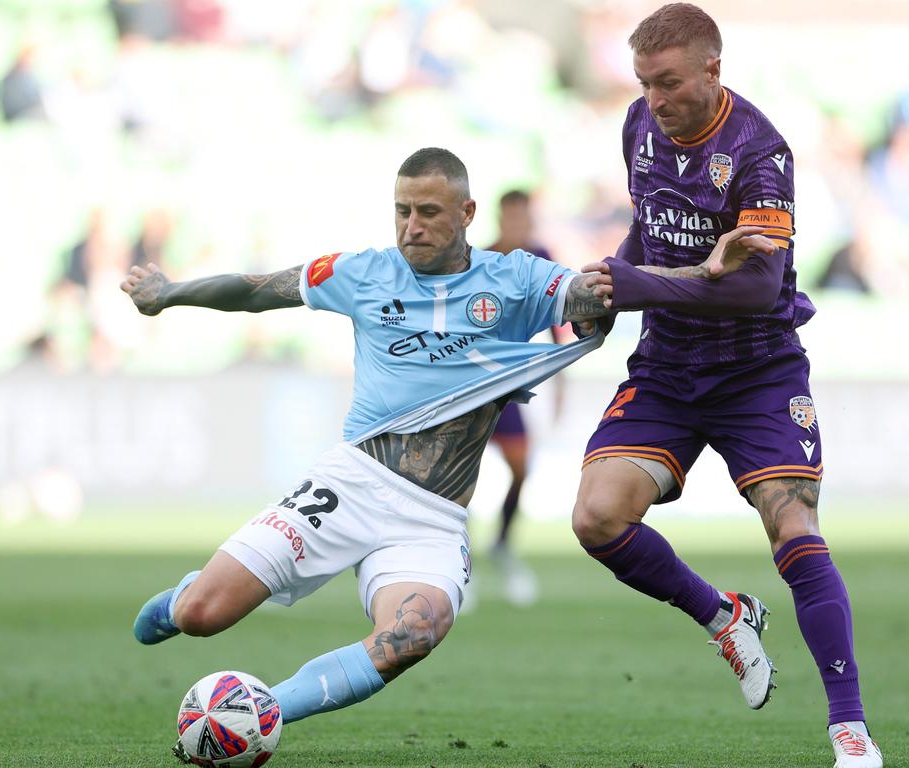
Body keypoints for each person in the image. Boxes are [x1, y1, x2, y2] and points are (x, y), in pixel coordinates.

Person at [122, 146, 766, 758]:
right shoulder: (360, 273)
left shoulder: (513, 281)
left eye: (428, 212)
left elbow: (607, 288)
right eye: (402, 211)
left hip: (430, 521)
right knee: (204, 616)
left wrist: (703, 268)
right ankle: (185, 598)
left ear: (466, 215)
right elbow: (258, 288)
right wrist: (169, 293)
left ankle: (263, 711)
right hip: (350, 485)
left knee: (412, 633)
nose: (412, 227)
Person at [572, 6, 882, 768]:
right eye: (644, 83)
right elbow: (647, 234)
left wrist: (640, 286)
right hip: (670, 367)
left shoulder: (758, 151)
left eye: (670, 82)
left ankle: (849, 728)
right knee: (596, 518)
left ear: (713, 69)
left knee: (794, 527)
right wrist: (609, 294)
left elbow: (754, 287)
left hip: (757, 369)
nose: (656, 99)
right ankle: (723, 616)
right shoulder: (637, 129)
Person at [483, 189, 563, 605]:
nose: (516, 223)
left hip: (512, 388)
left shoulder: (540, 256)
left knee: (520, 467)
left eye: (522, 216)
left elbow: (558, 320)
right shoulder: (483, 257)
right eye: (510, 215)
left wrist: (562, 382)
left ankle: (500, 543)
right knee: (458, 478)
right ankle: (455, 559)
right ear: (500, 216)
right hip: (476, 383)